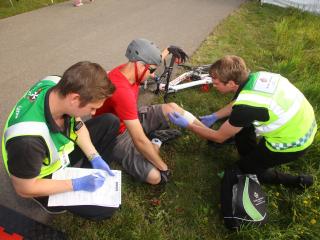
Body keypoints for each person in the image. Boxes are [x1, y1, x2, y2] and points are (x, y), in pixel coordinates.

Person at [168, 55, 317, 188]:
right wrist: (214, 116)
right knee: (241, 128)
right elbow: (238, 104)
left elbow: (219, 137)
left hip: (294, 142)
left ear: (232, 83)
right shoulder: (258, 77)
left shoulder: (247, 107)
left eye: (217, 83)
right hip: (304, 122)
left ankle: (299, 181)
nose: (214, 86)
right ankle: (249, 153)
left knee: (247, 170)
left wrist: (189, 125)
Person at [2, 61, 120, 219]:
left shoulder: (58, 84)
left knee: (110, 122)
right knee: (103, 210)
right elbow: (24, 188)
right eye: (92, 108)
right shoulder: (27, 142)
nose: (93, 113)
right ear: (75, 99)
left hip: (55, 153)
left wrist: (94, 156)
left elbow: (77, 123)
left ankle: (89, 176)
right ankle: (46, 199)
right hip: (38, 172)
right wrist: (75, 184)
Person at [94, 38, 205, 185]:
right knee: (155, 176)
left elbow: (149, 62)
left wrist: (168, 50)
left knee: (172, 107)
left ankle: (206, 132)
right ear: (140, 66)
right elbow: (139, 139)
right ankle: (156, 141)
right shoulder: (121, 91)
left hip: (130, 116)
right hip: (117, 136)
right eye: (152, 70)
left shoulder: (129, 69)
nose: (153, 74)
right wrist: (164, 168)